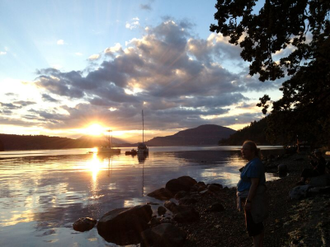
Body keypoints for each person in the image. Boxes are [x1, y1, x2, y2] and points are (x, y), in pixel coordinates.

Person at [237, 140, 268, 247]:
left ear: (253, 151)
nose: (243, 151)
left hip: (252, 198)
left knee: (254, 225)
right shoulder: (253, 162)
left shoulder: (254, 164)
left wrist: (249, 201)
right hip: (250, 197)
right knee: (257, 223)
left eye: (245, 149)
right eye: (242, 149)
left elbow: (254, 184)